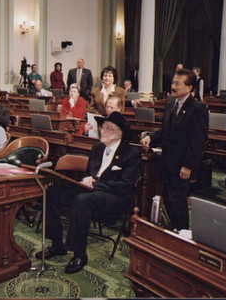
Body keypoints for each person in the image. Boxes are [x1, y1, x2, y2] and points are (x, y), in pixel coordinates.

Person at [36, 111, 141, 273]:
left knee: (82, 200)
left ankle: (79, 254)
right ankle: (57, 245)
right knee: (53, 193)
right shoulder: (97, 147)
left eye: (109, 128)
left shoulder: (131, 153)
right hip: (92, 191)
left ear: (120, 134)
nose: (103, 131)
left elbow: (124, 185)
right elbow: (89, 173)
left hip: (115, 198)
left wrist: (95, 184)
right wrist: (88, 180)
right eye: (102, 127)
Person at [140, 68, 208, 230]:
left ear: (189, 87)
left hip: (182, 165)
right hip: (167, 162)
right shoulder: (171, 103)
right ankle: (170, 232)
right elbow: (165, 131)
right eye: (173, 82)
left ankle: (182, 235)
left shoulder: (198, 108)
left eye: (178, 83)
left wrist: (188, 166)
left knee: (178, 202)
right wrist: (151, 137)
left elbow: (198, 141)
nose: (173, 86)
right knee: (169, 199)